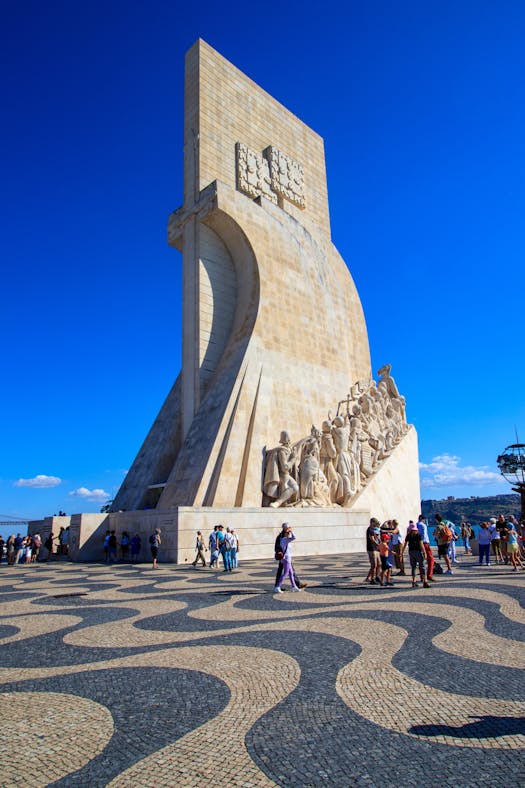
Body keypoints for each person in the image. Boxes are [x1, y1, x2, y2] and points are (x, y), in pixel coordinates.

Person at [274, 523, 307, 589]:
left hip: (285, 557)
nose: (289, 529)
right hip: (284, 557)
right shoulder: (282, 537)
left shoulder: (284, 536)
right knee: (285, 572)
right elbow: (277, 545)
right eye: (288, 527)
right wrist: (279, 552)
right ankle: (278, 586)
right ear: (285, 528)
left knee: (290, 572)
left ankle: (294, 586)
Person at [402, 522, 430, 588]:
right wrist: (424, 553)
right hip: (418, 552)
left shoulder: (408, 535)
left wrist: (402, 552)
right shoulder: (418, 535)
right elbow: (421, 545)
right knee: (422, 566)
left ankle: (414, 581)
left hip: (411, 552)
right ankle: (425, 581)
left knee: (413, 567)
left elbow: (405, 544)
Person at [274, 525, 299, 593]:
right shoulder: (285, 539)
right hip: (286, 558)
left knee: (291, 573)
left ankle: (294, 587)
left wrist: (289, 531)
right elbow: (294, 537)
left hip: (287, 558)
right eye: (288, 533)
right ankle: (277, 586)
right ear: (285, 533)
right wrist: (291, 531)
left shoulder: (284, 539)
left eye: (289, 533)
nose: (289, 534)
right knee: (286, 573)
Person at [417, 514, 434, 582]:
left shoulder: (416, 525)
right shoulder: (423, 525)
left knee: (421, 560)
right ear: (422, 519)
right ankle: (429, 575)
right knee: (430, 559)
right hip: (424, 543)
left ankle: (422, 576)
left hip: (418, 543)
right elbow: (423, 535)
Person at [365, 518, 382, 585]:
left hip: (376, 549)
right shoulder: (369, 529)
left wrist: (379, 541)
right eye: (375, 523)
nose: (376, 524)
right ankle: (372, 579)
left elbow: (375, 536)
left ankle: (377, 576)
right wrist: (378, 544)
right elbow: (372, 539)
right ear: (372, 522)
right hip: (371, 549)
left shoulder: (373, 529)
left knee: (379, 563)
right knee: (374, 565)